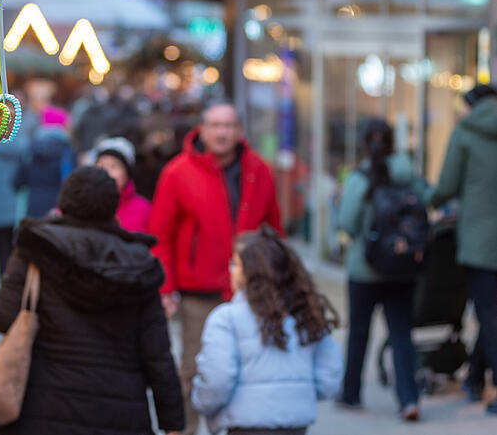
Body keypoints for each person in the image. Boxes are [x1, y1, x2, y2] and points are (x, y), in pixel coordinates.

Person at [0, 167, 184, 435]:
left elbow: (3, 317)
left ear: (64, 201)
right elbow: (157, 354)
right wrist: (172, 421)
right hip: (119, 413)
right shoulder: (139, 264)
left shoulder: (35, 249)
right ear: (113, 206)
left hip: (42, 408)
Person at [149, 99, 282, 435]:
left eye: (229, 126)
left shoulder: (259, 170)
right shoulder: (178, 172)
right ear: (203, 130)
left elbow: (273, 229)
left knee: (249, 368)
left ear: (239, 131)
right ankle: (186, 429)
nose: (223, 133)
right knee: (195, 368)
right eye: (216, 126)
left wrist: (277, 277)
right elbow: (159, 235)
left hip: (250, 289)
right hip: (199, 290)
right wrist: (165, 288)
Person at [193, 227, 343, 435]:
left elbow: (217, 380)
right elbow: (329, 378)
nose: (231, 270)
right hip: (296, 427)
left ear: (251, 271)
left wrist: (202, 404)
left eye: (236, 264)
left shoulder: (226, 319)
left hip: (245, 427)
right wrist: (298, 394)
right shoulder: (307, 314)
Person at [336, 119, 426, 420]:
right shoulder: (409, 174)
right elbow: (429, 201)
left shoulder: (360, 178)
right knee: (402, 334)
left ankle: (350, 394)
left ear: (365, 143)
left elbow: (347, 223)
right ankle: (408, 399)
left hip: (365, 269)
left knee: (359, 332)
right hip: (403, 266)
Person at [430, 84, 497, 415]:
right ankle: (474, 378)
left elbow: (446, 185)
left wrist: (427, 203)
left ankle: (490, 383)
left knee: (488, 312)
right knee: (490, 313)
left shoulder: (466, 131)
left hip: (480, 241)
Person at [0, 108, 30, 275]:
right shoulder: (22, 143)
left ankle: (3, 287)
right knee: (19, 254)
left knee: (1, 254)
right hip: (16, 206)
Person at [13, 105, 75, 219]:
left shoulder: (30, 148)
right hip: (58, 208)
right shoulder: (67, 150)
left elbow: (17, 182)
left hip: (32, 208)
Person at [94, 136, 151, 233]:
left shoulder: (144, 209)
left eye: (114, 166)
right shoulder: (84, 206)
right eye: (102, 166)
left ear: (127, 172)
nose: (107, 172)